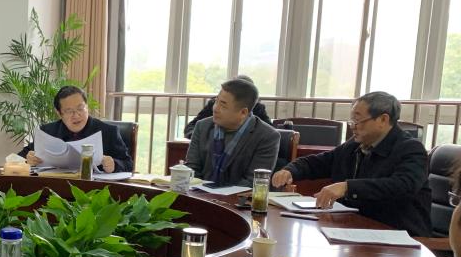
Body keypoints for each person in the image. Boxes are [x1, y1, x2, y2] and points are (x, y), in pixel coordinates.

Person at [271, 91, 432, 236]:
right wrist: (291, 170)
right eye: (352, 120)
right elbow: (320, 162)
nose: (352, 126)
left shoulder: (411, 149)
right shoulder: (355, 145)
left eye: (358, 120)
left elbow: (403, 185)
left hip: (398, 234)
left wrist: (348, 187)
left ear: (383, 120)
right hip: (356, 228)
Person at [185, 78, 280, 187]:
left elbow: (253, 182)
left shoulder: (267, 136)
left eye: (223, 105)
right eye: (216, 101)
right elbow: (191, 171)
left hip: (239, 197)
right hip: (200, 193)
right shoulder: (202, 127)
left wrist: (216, 193)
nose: (215, 108)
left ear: (243, 112)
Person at [19, 85, 133, 173]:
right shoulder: (48, 132)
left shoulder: (108, 132)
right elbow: (19, 157)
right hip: (56, 189)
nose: (76, 115)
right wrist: (28, 160)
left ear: (87, 106)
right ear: (59, 113)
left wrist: (114, 165)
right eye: (69, 111)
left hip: (95, 191)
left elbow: (128, 164)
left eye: (80, 108)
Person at [183, 75, 272, 138]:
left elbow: (270, 132)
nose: (216, 108)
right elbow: (191, 127)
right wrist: (203, 137)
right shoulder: (214, 104)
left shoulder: (257, 108)